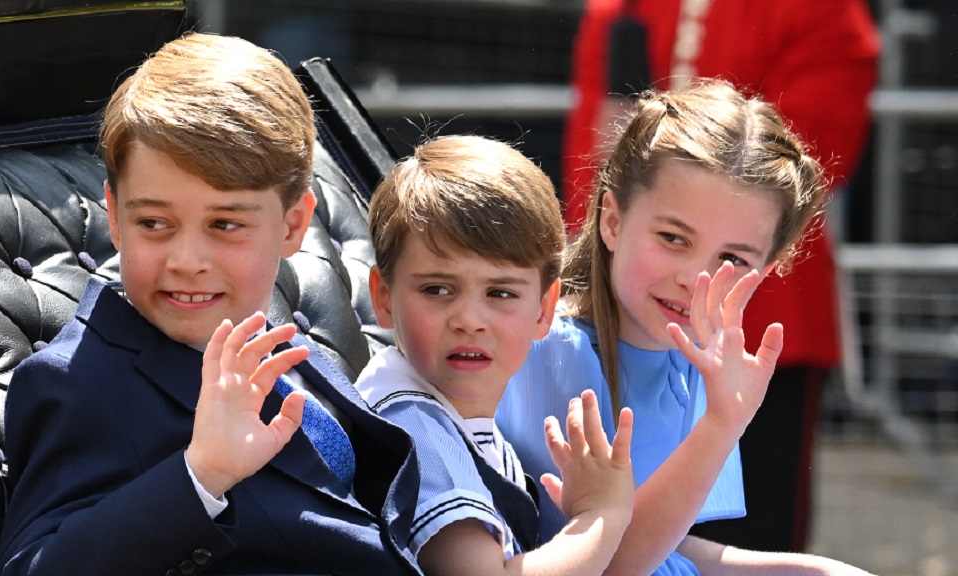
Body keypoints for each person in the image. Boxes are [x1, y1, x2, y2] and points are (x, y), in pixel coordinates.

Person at [0, 32, 422, 576]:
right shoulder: (78, 384)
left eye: (224, 224)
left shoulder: (286, 346)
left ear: (294, 224)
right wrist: (200, 476)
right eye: (154, 223)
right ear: (116, 215)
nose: (187, 259)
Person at [498, 80, 877, 576]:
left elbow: (672, 548)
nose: (694, 278)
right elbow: (611, 562)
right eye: (673, 238)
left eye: (732, 258)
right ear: (612, 220)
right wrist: (722, 425)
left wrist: (815, 571)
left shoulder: (699, 361)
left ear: (765, 272)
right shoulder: (549, 351)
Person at [562, 0, 880, 552]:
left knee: (755, 526)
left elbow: (807, 157)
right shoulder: (619, 8)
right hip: (626, 303)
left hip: (758, 321)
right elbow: (595, 153)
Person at [356, 134, 636, 576]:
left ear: (544, 310)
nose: (469, 319)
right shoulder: (412, 428)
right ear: (384, 297)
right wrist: (603, 516)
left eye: (500, 292)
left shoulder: (457, 417)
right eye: (437, 289)